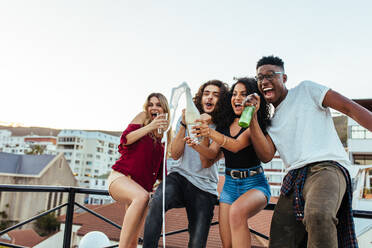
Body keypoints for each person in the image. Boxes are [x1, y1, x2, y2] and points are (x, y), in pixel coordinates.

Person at [244, 55, 372, 248]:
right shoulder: (272, 121)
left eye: (271, 75)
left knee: (318, 215)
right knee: (280, 238)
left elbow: (349, 108)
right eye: (260, 78)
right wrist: (252, 118)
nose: (264, 81)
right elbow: (266, 156)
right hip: (294, 178)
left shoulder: (306, 89)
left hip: (327, 168)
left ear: (284, 78)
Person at [142, 80, 230, 248]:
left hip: (204, 187)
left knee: (197, 242)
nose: (210, 97)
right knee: (157, 201)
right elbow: (175, 154)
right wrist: (183, 124)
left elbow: (207, 162)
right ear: (200, 98)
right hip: (179, 177)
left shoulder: (222, 127)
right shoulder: (188, 117)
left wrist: (204, 131)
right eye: (206, 93)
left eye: (215, 95)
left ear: (222, 101)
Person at [189, 78, 272, 248]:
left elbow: (234, 146)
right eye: (234, 94)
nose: (237, 98)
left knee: (237, 211)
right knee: (227, 244)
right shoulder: (224, 125)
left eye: (243, 94)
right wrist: (196, 145)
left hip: (255, 184)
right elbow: (212, 153)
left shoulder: (253, 125)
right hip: (229, 186)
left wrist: (209, 132)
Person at [107, 93, 170, 248]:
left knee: (133, 241)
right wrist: (150, 126)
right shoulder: (142, 118)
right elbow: (125, 139)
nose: (153, 108)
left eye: (158, 104)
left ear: (164, 109)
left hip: (141, 190)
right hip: (121, 178)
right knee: (142, 197)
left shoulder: (164, 136)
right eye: (151, 104)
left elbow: (162, 171)